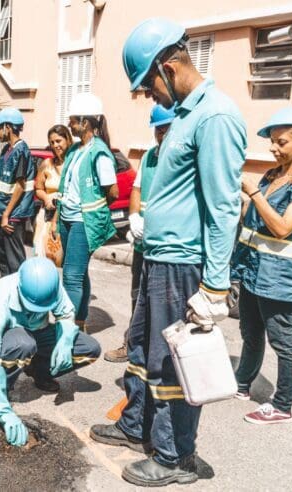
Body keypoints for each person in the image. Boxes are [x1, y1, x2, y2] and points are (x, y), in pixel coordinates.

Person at [89, 18, 246, 487]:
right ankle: (136, 423)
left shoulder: (214, 115)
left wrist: (215, 284)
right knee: (141, 350)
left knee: (172, 362)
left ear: (168, 65)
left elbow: (222, 207)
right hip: (158, 259)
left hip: (182, 265)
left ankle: (175, 457)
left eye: (147, 85)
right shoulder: (183, 117)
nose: (148, 96)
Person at [232, 108, 292, 425]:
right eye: (272, 141)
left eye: (281, 141)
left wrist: (254, 194)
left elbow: (283, 228)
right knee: (250, 332)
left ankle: (282, 405)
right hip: (253, 270)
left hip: (281, 278)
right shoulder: (272, 176)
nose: (273, 148)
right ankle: (242, 383)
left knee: (283, 341)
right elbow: (253, 220)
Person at [0, 257, 101, 446]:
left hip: (41, 333)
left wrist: (65, 341)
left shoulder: (50, 284)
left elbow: (66, 313)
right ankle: (3, 390)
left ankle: (40, 373)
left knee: (89, 349)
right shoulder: (1, 295)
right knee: (23, 343)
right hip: (15, 339)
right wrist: (3, 412)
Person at [104, 104, 175, 363]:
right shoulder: (149, 158)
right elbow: (136, 189)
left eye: (166, 129)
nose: (161, 135)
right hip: (143, 244)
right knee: (138, 296)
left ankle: (158, 355)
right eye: (158, 130)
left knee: (162, 304)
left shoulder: (182, 160)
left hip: (166, 248)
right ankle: (133, 344)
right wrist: (134, 217)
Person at [54, 93, 119, 333]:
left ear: (85, 122)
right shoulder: (75, 150)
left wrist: (94, 212)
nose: (69, 124)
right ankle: (79, 323)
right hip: (67, 219)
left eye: (72, 120)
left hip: (83, 221)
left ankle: (66, 330)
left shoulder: (99, 152)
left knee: (71, 276)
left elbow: (112, 192)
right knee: (79, 275)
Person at [0, 108, 36, 276]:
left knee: (14, 261)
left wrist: (5, 215)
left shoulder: (21, 151)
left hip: (12, 215)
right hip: (2, 211)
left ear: (7, 127)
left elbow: (20, 185)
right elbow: (2, 184)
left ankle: (18, 297)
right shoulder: (5, 150)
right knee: (2, 258)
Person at [32, 125, 70, 257]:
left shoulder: (74, 163)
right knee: (43, 257)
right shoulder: (47, 164)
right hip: (46, 216)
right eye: (52, 142)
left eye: (58, 141)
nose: (55, 145)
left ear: (68, 140)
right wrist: (47, 198)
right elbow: (38, 189)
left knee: (65, 259)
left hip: (66, 216)